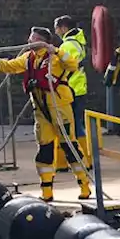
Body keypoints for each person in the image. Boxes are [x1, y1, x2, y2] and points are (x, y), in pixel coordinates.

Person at [0, 27, 92, 202]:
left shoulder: (56, 57)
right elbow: (8, 66)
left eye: (32, 38)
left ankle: (84, 186)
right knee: (44, 150)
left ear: (41, 40)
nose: (28, 41)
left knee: (69, 147)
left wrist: (55, 50)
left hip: (60, 108)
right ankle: (47, 192)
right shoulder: (28, 58)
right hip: (41, 111)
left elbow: (72, 64)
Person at [52, 16, 91, 172]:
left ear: (63, 28)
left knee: (66, 125)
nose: (55, 32)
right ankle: (86, 160)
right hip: (79, 88)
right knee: (77, 124)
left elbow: (63, 67)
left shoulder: (67, 46)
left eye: (56, 28)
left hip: (69, 89)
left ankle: (66, 162)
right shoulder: (79, 42)